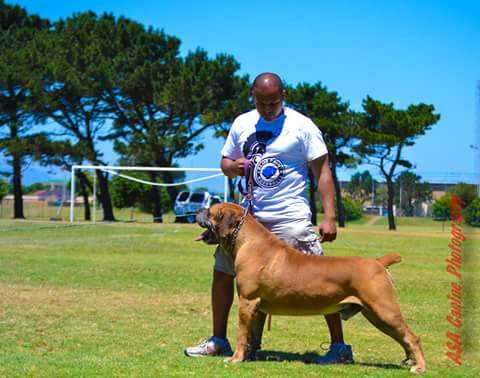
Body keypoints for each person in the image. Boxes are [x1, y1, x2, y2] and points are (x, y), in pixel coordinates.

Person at [185, 72, 353, 364]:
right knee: (224, 273)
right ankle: (221, 340)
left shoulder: (302, 126)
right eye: (261, 102)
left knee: (320, 277)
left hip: (290, 216)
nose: (267, 108)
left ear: (283, 95)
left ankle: (339, 348)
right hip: (246, 220)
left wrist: (330, 216)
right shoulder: (242, 122)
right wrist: (233, 166)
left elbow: (323, 171)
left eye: (273, 102)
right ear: (253, 96)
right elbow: (225, 162)